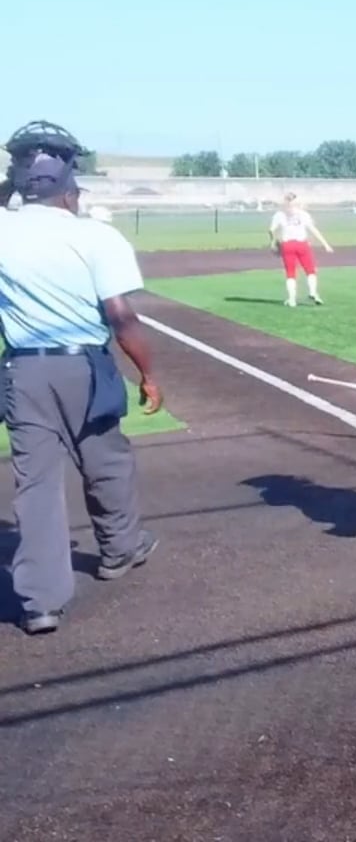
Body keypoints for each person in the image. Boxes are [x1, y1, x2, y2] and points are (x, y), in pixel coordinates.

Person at [0, 126, 164, 634]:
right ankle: (120, 549)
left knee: (36, 483)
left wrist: (10, 185)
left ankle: (41, 602)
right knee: (106, 459)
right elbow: (121, 317)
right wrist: (147, 373)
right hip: (85, 366)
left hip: (24, 371)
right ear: (69, 187)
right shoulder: (96, 235)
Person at [268, 193, 334, 307]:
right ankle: (313, 292)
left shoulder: (279, 215)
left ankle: (292, 299)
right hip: (302, 244)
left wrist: (273, 241)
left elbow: (271, 230)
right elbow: (313, 229)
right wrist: (325, 244)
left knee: (290, 273)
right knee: (310, 270)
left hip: (287, 245)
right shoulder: (303, 214)